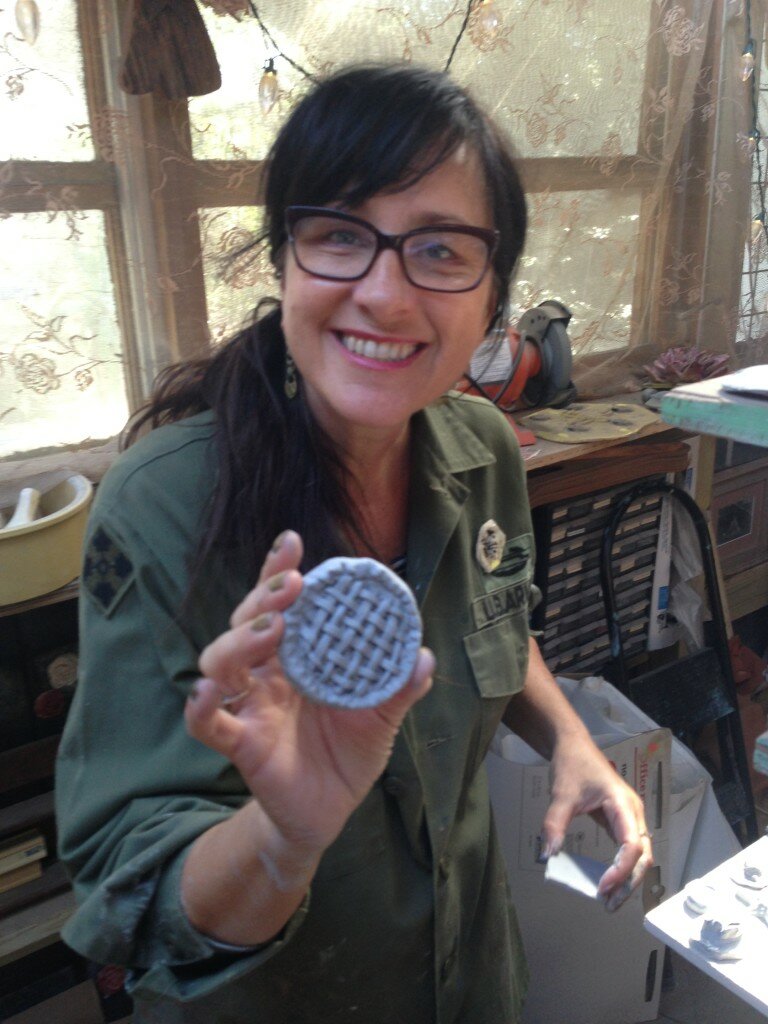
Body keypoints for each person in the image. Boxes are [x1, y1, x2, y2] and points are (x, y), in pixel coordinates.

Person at [55, 64, 652, 1024]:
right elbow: (136, 893)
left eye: (441, 250)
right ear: (284, 260)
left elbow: (494, 621)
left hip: (472, 982)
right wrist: (284, 839)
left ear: (494, 295)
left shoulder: (484, 449)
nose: (383, 293)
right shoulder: (165, 505)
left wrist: (572, 739)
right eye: (340, 236)